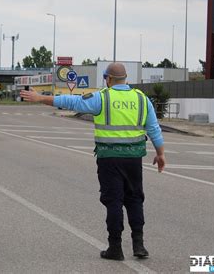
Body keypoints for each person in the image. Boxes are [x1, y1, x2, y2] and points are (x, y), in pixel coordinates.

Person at [20, 62, 166, 261]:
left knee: (113, 201)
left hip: (109, 159)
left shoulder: (102, 97)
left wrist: (40, 98)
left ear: (108, 79)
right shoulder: (142, 99)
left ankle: (115, 248)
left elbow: (72, 102)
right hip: (134, 160)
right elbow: (154, 129)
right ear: (126, 79)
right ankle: (139, 244)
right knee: (134, 200)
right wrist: (160, 154)